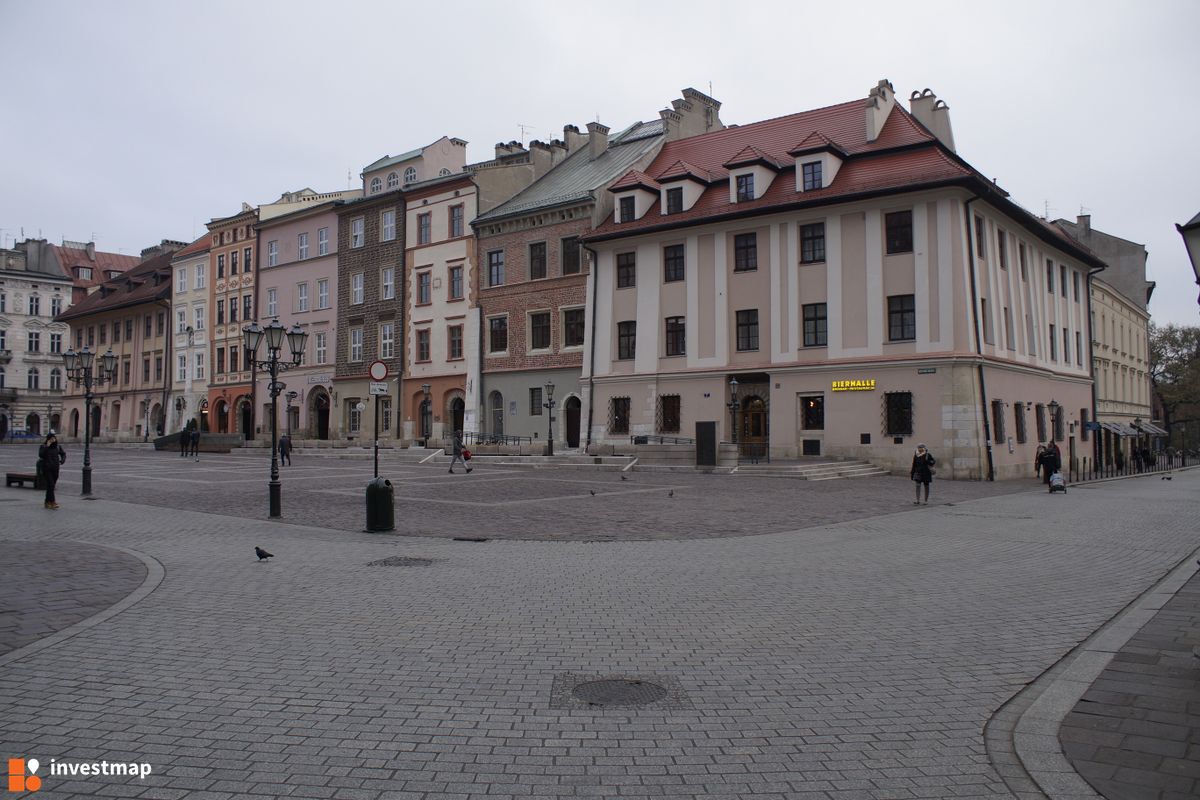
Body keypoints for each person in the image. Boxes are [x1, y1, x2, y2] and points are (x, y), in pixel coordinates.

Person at [38, 431, 67, 510]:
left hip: (55, 468)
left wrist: (62, 460)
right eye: (51, 438)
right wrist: (47, 446)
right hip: (46, 469)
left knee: (51, 486)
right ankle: (53, 502)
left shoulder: (58, 447)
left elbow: (63, 453)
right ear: (48, 439)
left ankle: (47, 502)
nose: (53, 440)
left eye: (54, 438)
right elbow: (41, 455)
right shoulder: (43, 446)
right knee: (50, 485)